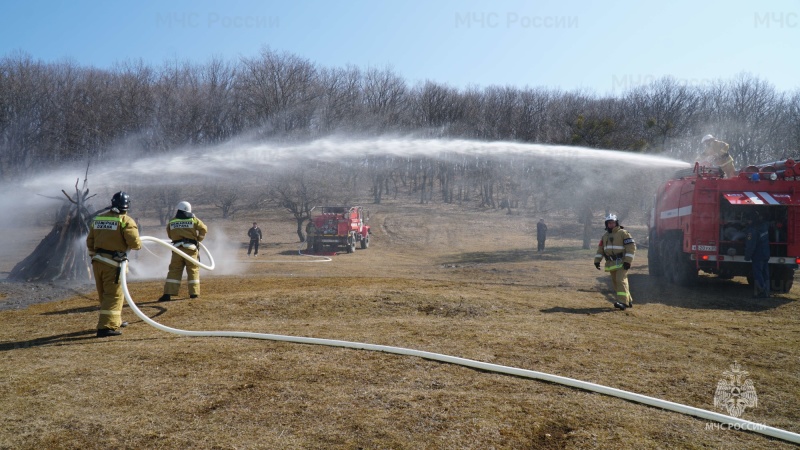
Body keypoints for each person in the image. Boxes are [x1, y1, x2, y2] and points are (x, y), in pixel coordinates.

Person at [86, 191, 142, 337]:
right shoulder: (126, 220)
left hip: (98, 262)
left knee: (104, 294)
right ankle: (106, 327)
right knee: (114, 295)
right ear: (127, 205)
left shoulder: (99, 219)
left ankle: (114, 319)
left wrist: (94, 256)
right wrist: (138, 245)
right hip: (113, 264)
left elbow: (90, 241)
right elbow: (134, 243)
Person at [157, 201, 208, 302]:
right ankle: (194, 294)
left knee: (174, 271)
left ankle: (168, 294)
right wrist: (198, 239)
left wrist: (177, 238)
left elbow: (169, 234)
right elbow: (204, 229)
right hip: (190, 249)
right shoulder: (193, 220)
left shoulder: (172, 221)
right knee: (192, 270)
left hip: (177, 249)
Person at [594, 213, 636, 310]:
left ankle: (623, 303)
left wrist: (628, 261)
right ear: (606, 224)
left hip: (622, 262)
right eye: (609, 223)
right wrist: (597, 260)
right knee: (616, 283)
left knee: (620, 280)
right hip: (611, 263)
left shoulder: (624, 233)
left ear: (616, 223)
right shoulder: (605, 236)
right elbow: (600, 249)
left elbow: (631, 247)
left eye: (612, 223)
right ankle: (628, 300)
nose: (611, 225)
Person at [744, 211, 770, 298]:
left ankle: (762, 291)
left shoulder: (752, 230)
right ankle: (767, 291)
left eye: (748, 220)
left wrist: (747, 256)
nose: (747, 222)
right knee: (765, 273)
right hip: (766, 253)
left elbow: (751, 245)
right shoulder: (764, 226)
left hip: (758, 255)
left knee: (757, 273)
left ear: (751, 220)